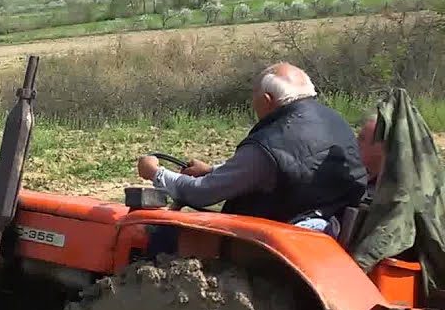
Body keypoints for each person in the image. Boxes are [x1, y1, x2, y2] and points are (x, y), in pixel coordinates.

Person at [136, 62, 368, 236]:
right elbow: (297, 166)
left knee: (164, 237)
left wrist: (156, 173)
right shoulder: (335, 120)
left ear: (267, 100)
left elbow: (201, 193)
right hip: (328, 219)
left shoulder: (270, 143)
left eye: (253, 98)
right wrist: (213, 169)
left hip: (287, 229)